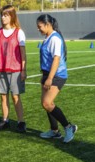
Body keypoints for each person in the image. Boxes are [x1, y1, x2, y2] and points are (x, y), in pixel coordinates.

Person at [36, 14, 77, 143]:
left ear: (48, 25)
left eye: (40, 26)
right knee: (46, 104)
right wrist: (44, 76)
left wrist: (49, 78)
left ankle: (69, 127)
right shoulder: (47, 38)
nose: (38, 29)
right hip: (47, 74)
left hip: (57, 75)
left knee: (47, 103)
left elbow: (56, 59)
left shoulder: (55, 38)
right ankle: (54, 131)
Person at [0, 5, 27, 133]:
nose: (3, 17)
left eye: (6, 15)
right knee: (3, 97)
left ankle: (21, 122)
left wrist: (24, 70)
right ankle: (5, 120)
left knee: (15, 97)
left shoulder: (19, 32)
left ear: (12, 16)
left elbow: (23, 53)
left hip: (16, 70)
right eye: (2, 15)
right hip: (2, 70)